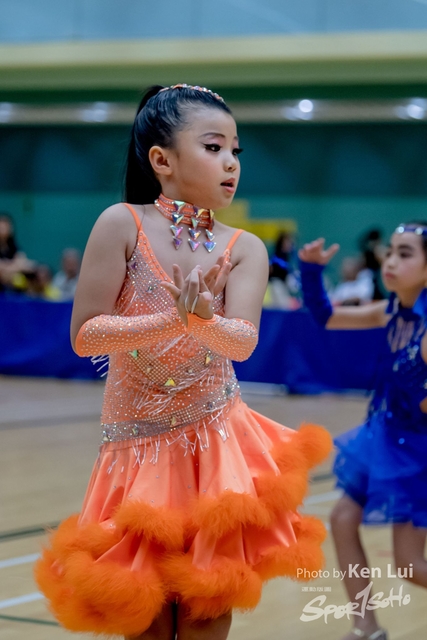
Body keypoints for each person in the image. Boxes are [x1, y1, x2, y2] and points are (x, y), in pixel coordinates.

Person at [35, 84, 332, 640]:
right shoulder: (121, 223)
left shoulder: (245, 247)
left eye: (236, 151)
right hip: (136, 448)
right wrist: (172, 319)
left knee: (206, 606)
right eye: (214, 147)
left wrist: (201, 321)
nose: (231, 163)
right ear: (162, 160)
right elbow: (85, 335)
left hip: (215, 446)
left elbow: (241, 343)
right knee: (142, 611)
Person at [298, 225, 427, 640]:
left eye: (405, 253)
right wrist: (311, 271)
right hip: (388, 436)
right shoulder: (392, 310)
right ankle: (366, 626)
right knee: (342, 518)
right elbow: (326, 316)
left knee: (411, 566)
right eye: (390, 252)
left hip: (418, 453)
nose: (391, 261)